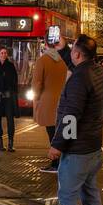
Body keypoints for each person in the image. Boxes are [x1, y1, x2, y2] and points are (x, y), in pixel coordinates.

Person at [43, 34, 103, 205]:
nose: (71, 55)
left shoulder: (79, 80)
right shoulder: (97, 70)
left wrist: (57, 146)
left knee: (67, 197)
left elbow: (71, 116)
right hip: (93, 147)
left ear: (78, 54)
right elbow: (78, 66)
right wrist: (63, 48)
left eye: (72, 52)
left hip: (77, 149)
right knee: (90, 195)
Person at [32, 41, 69, 173]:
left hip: (47, 102)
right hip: (64, 101)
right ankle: (61, 161)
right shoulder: (64, 61)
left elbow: (37, 83)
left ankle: (55, 162)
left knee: (52, 133)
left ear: (45, 45)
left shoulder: (42, 61)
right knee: (62, 132)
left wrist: (35, 99)